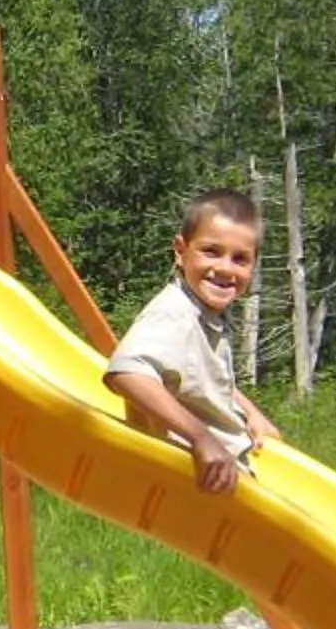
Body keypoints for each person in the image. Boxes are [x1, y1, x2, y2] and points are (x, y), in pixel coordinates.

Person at [104, 188, 284, 495]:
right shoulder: (175, 314)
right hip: (202, 475)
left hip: (225, 468)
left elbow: (198, 375)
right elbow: (127, 373)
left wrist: (249, 411)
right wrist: (201, 439)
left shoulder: (201, 310)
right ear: (180, 250)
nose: (226, 268)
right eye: (211, 251)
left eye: (240, 259)